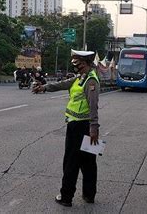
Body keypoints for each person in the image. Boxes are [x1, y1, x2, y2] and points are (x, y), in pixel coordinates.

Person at [33, 49, 100, 207]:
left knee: (72, 162)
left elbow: (93, 106)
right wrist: (44, 87)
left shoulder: (91, 81)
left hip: (81, 127)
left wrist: (94, 128)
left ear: (84, 64)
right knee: (88, 162)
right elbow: (62, 84)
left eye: (77, 63)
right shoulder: (80, 78)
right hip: (81, 126)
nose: (74, 66)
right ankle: (89, 195)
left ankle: (66, 197)